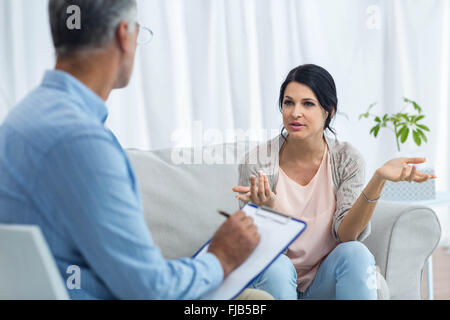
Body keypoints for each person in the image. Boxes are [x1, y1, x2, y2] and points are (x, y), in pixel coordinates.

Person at [0, 0, 268, 300]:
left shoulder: (19, 120)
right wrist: (221, 257)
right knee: (256, 303)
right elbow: (150, 289)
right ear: (123, 35)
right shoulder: (83, 141)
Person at [234, 64, 436, 300]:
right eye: (288, 102)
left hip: (323, 282)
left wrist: (378, 180)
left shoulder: (347, 160)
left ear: (328, 110)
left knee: (356, 253)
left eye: (307, 104)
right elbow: (259, 252)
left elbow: (347, 234)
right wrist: (270, 212)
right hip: (275, 280)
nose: (294, 112)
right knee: (277, 267)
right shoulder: (258, 162)